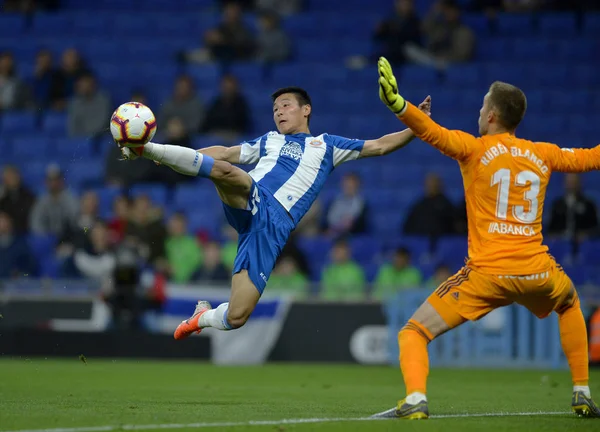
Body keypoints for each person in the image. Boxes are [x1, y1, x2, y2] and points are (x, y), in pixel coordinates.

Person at [375, 57, 600, 419]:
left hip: (487, 274)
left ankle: (416, 399)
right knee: (569, 303)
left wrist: (398, 105)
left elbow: (433, 133)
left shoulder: (474, 149)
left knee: (414, 331)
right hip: (537, 271)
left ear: (492, 115)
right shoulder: (543, 153)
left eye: (482, 106)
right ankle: (582, 392)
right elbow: (590, 158)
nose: (479, 112)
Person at [118, 86, 431, 338]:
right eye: (275, 109)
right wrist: (163, 157)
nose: (279, 112)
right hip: (256, 198)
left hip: (272, 229)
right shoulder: (268, 140)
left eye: (286, 105)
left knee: (237, 315)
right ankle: (148, 149)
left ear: (306, 110)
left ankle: (203, 316)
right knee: (229, 172)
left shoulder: (327, 145)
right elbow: (225, 153)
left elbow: (380, 145)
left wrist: (416, 125)